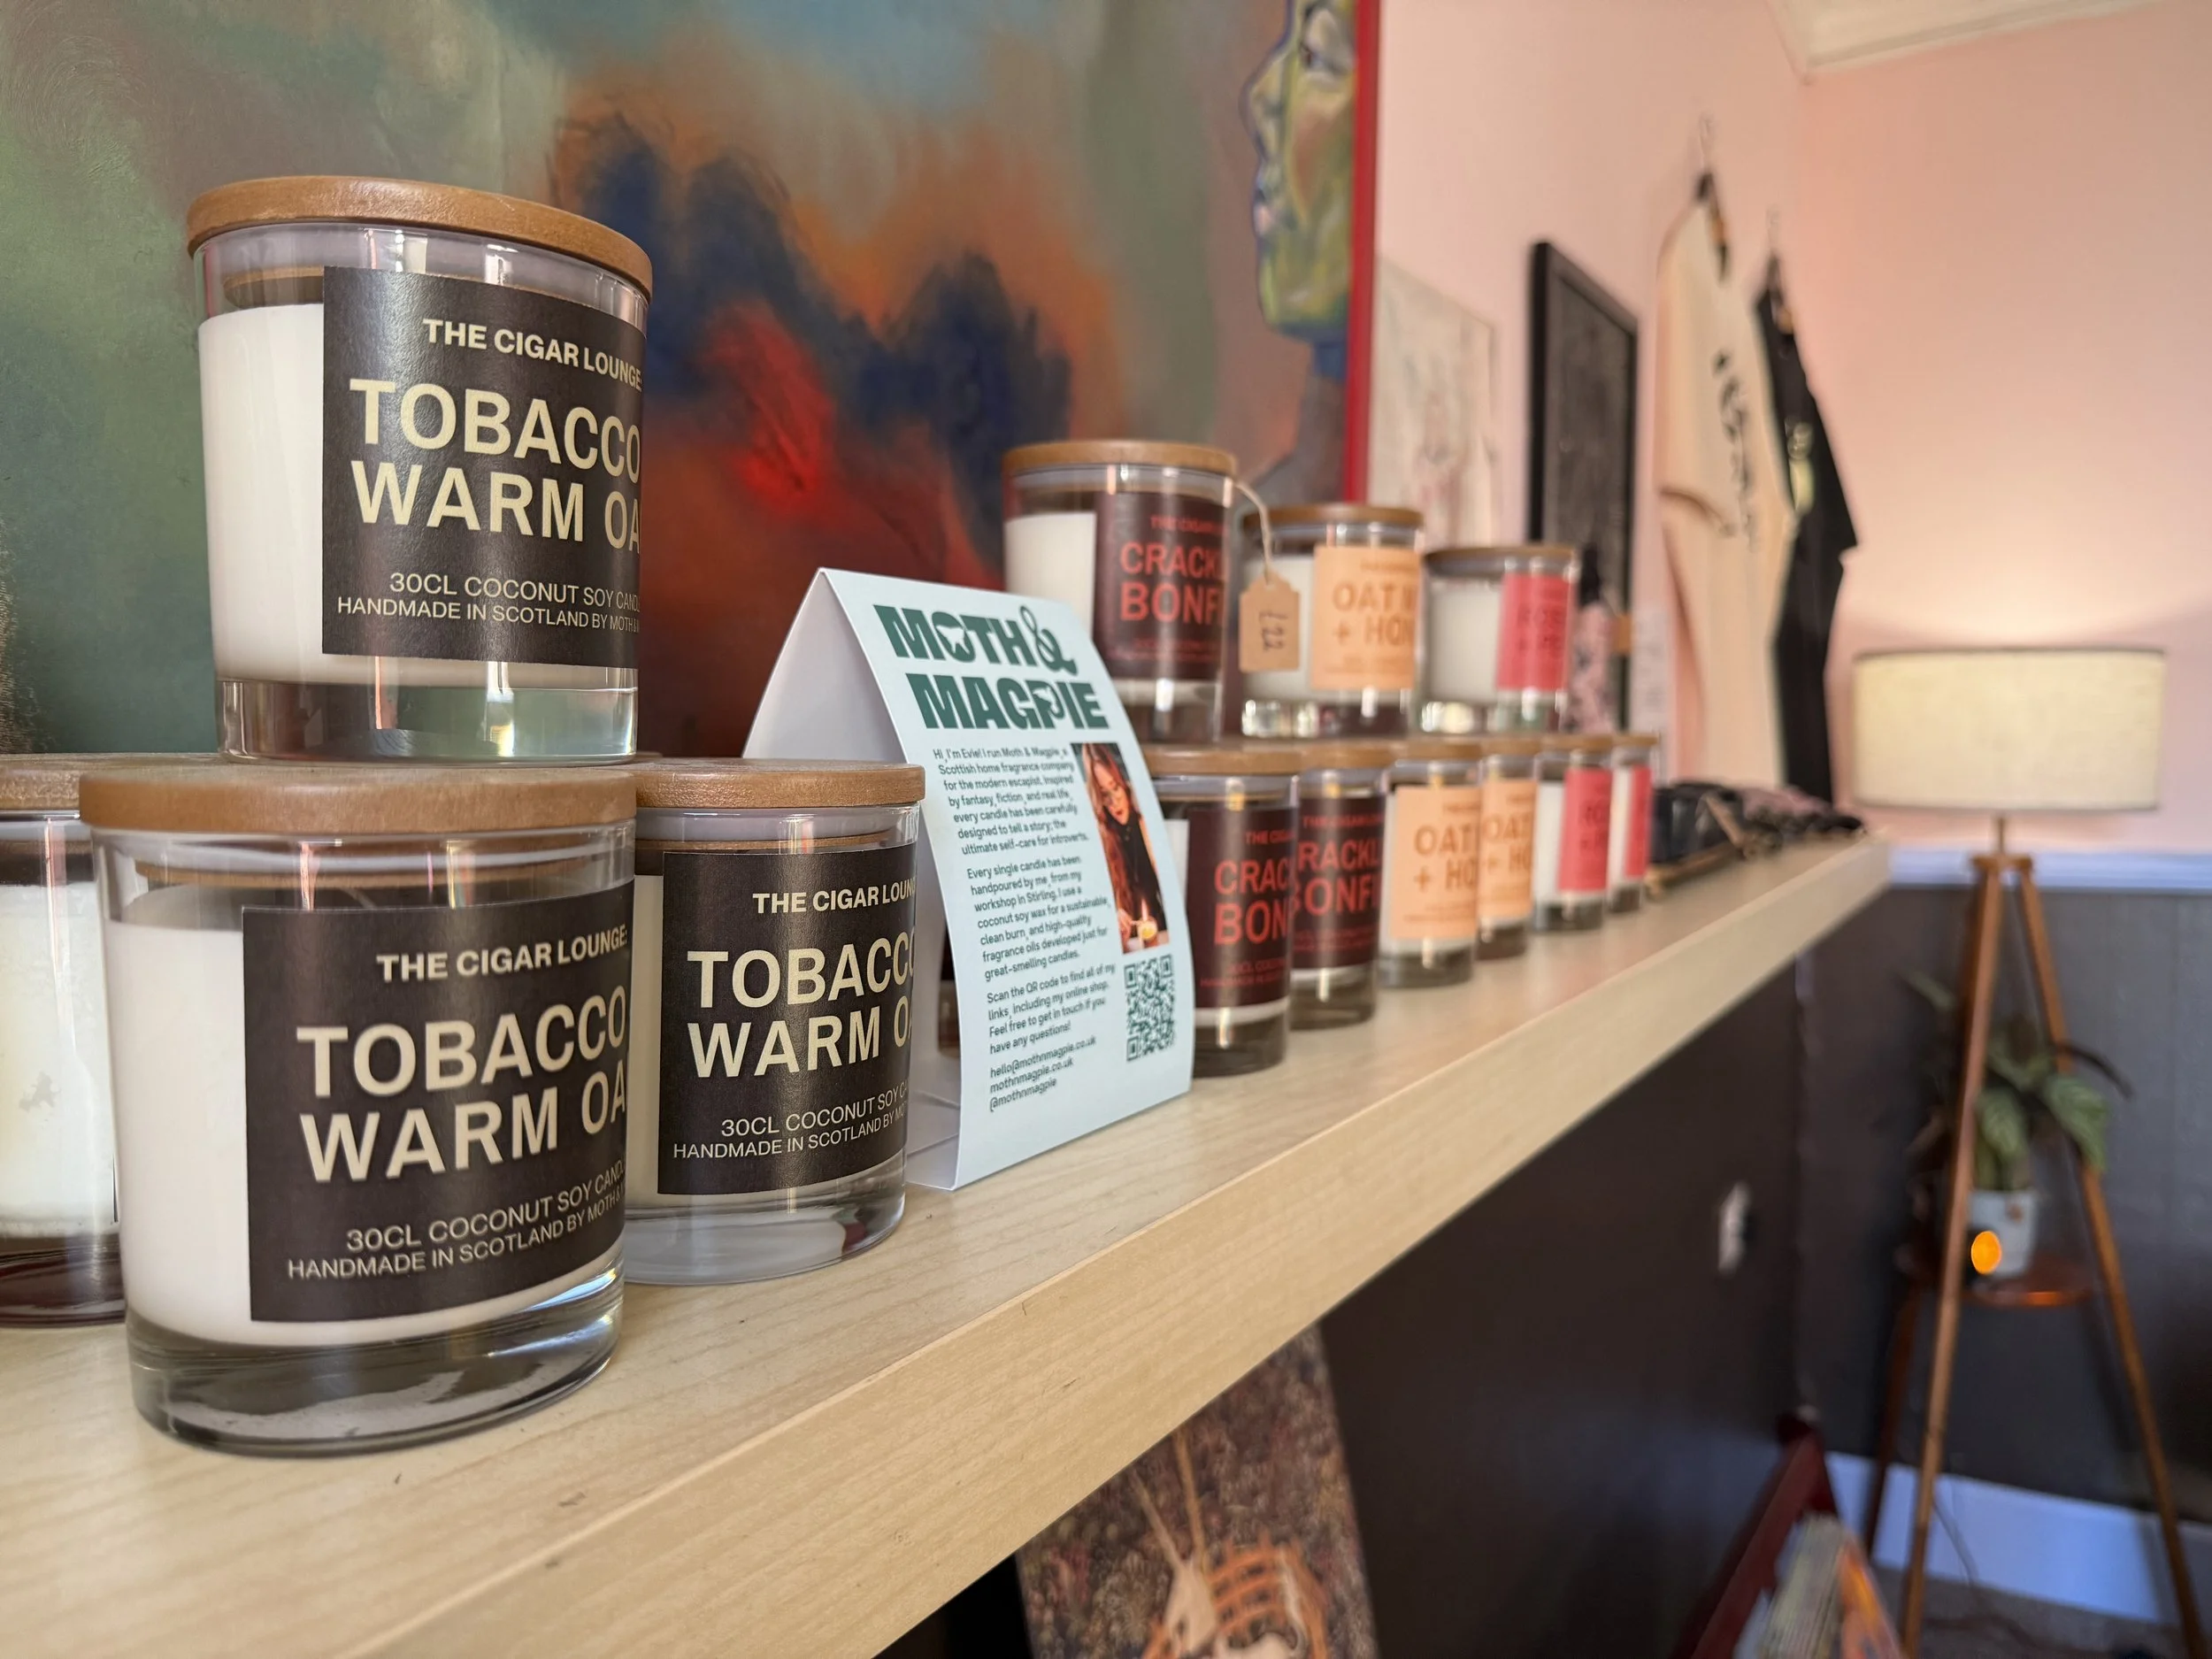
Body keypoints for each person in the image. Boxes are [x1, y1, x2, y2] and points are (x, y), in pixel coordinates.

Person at [1082, 745, 1171, 953]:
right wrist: (1111, 915)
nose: (1115, 801)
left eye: (1115, 788)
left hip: (1164, 933)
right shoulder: (1103, 838)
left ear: (1124, 785)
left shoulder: (1146, 823)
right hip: (1130, 943)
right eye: (1105, 795)